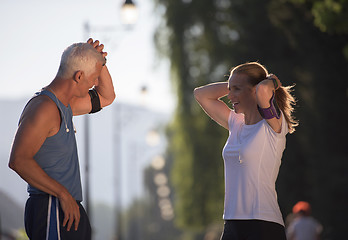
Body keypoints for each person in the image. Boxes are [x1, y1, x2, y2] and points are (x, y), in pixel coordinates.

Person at [8, 38, 115, 240]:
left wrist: (101, 62)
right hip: (51, 207)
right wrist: (63, 195)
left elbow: (107, 97)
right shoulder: (44, 108)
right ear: (79, 76)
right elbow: (18, 160)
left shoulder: (65, 105)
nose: (95, 82)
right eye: (94, 77)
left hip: (66, 208)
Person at [194, 62, 298, 240]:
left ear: (254, 90)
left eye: (237, 89)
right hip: (232, 223)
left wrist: (272, 81)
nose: (230, 95)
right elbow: (201, 94)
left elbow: (264, 90)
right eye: (230, 89)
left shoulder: (273, 124)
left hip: (263, 224)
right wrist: (234, 87)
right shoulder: (235, 123)